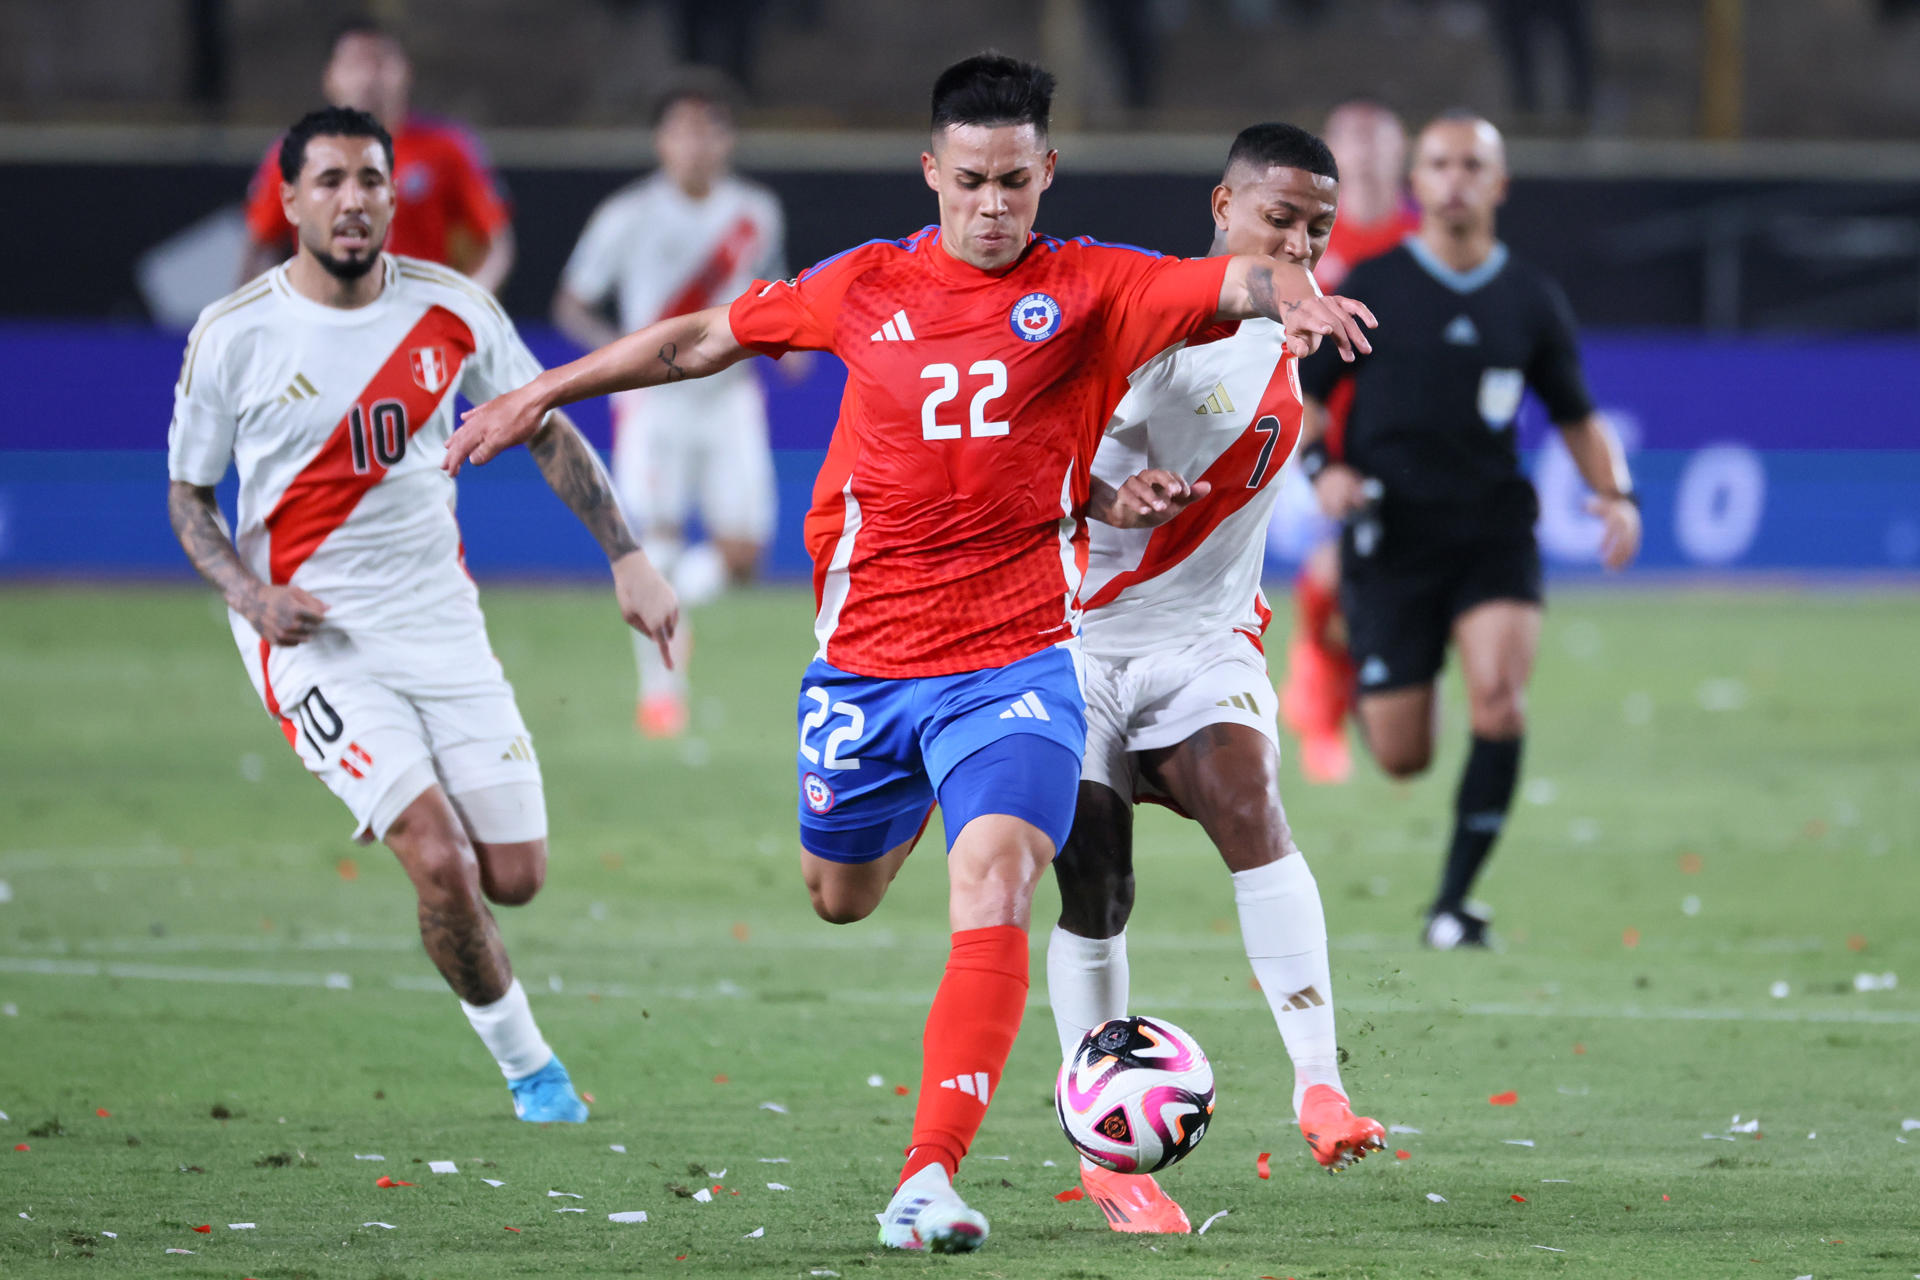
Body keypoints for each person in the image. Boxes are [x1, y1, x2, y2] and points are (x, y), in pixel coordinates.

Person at [445, 54, 1374, 1253]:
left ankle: (929, 1175)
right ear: (935, 174)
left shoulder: (1096, 288)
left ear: (1048, 175)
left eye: (1017, 184)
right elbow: (696, 342)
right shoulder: (865, 286)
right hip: (870, 659)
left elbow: (1229, 278)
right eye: (973, 182)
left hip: (1026, 660)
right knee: (841, 896)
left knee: (1000, 878)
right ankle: (934, 814)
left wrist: (1285, 289)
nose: (995, 207)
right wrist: (542, 393)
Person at [168, 107, 676, 1121]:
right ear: (290, 199)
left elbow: (542, 428)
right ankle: (536, 1074)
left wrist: (627, 556)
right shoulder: (235, 334)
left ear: (396, 196)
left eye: (370, 180)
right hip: (312, 638)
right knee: (437, 857)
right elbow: (189, 495)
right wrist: (251, 595)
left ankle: (457, 911)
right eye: (329, 181)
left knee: (517, 876)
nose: (352, 200)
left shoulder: (453, 310)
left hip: (442, 624)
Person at [1048, 121, 1386, 1236]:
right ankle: (1107, 1152)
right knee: (1096, 880)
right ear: (1222, 209)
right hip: (1079, 639)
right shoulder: (1157, 326)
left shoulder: (1299, 330)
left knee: (1252, 806)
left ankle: (1319, 1084)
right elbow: (1047, 460)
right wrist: (1110, 494)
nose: (1299, 240)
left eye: (1317, 227)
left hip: (1203, 640)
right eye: (1278, 219)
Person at [1296, 112, 1640, 949]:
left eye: (1471, 165)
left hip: (1492, 531)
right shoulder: (1370, 287)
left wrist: (1617, 496)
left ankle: (1452, 905)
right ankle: (1354, 664)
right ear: (1417, 184)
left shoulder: (1530, 298)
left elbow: (1576, 415)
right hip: (1391, 536)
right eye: (1438, 164)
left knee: (1499, 700)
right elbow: (1299, 402)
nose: (1453, 179)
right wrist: (1322, 472)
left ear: (1499, 184)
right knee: (1404, 753)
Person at [552, 74, 786, 737]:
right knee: (651, 543)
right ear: (661, 140)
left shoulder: (756, 212)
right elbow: (573, 302)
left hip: (728, 398)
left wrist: (789, 343)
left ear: (728, 138)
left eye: (710, 128)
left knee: (744, 554)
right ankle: (662, 693)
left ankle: (676, 606)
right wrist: (619, 357)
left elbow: (766, 290)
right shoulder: (627, 215)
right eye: (683, 128)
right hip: (653, 405)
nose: (697, 143)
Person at [1277, 98, 1417, 785]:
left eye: (1376, 137)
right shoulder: (1302, 247)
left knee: (1394, 588)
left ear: (1402, 152)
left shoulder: (1425, 241)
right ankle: (1321, 709)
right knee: (1332, 569)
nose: (1362, 152)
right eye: (1349, 140)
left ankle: (1342, 688)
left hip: (1407, 443)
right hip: (1317, 435)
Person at [239, 20, 515, 291]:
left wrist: (468, 304)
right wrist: (277, 308)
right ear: (330, 76)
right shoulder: (296, 150)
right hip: (324, 323)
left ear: (406, 71)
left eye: (381, 62)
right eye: (356, 63)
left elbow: (495, 242)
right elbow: (259, 244)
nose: (369, 77)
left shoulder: (447, 148)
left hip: (418, 320)